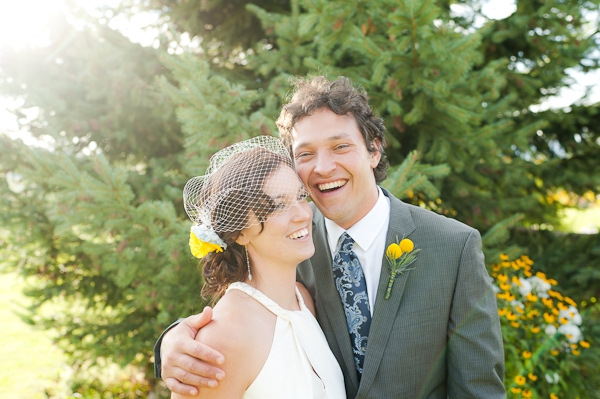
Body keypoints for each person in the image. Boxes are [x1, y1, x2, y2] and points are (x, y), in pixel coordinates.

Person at [156, 76, 505, 398]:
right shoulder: (291, 253)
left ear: (374, 150)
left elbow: (479, 390)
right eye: (305, 154)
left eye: (340, 146)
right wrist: (171, 344)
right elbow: (235, 324)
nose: (322, 167)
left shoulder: (453, 248)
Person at [171, 136, 346, 399]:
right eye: (278, 205)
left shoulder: (304, 301)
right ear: (240, 233)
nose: (302, 214)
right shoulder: (223, 337)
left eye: (300, 197)